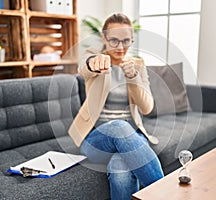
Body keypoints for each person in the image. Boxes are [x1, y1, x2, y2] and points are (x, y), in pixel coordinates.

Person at [68, 13, 164, 200]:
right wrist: (93, 64)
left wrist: (133, 78)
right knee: (119, 126)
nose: (120, 47)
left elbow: (147, 108)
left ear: (132, 40)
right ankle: (165, 195)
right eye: (113, 40)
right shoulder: (95, 58)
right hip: (95, 140)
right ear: (104, 37)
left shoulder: (138, 64)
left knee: (121, 167)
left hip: (131, 137)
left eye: (126, 41)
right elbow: (84, 67)